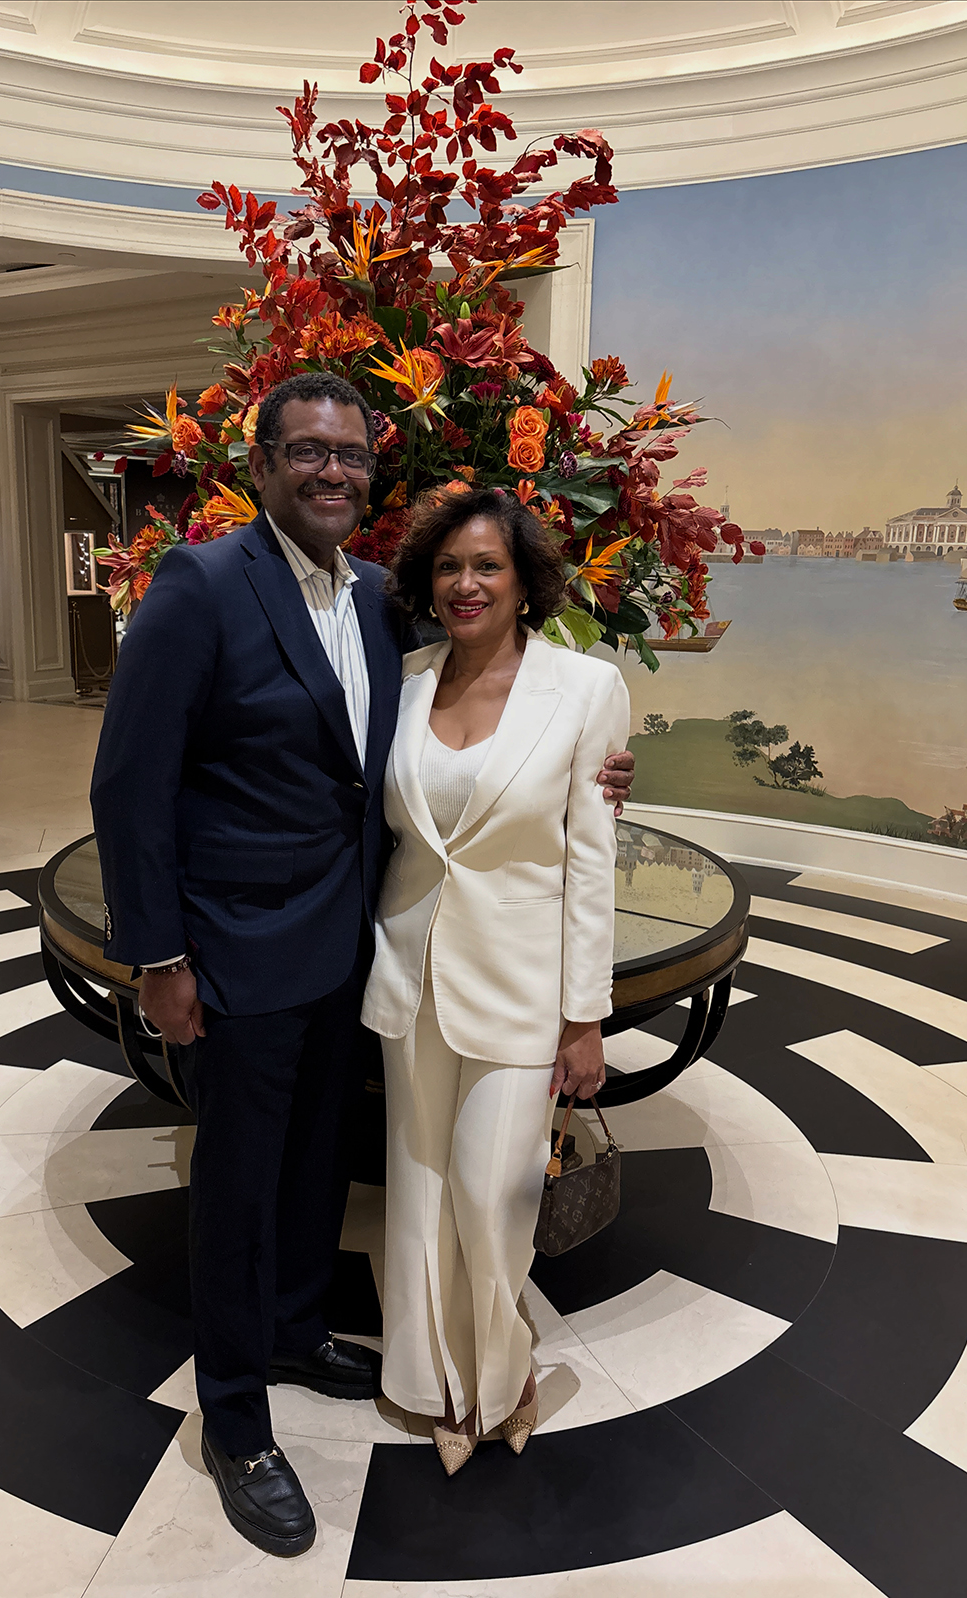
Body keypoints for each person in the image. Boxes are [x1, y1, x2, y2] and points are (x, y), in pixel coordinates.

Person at [90, 374, 636, 1556]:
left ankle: (295, 1329)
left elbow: (460, 735)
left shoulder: (385, 600)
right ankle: (237, 1419)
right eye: (308, 451)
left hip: (355, 950)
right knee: (237, 1186)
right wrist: (160, 955)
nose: (332, 471)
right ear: (262, 462)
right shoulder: (201, 584)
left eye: (350, 454)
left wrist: (599, 769)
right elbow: (130, 783)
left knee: (315, 1167)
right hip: (235, 954)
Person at [361, 487, 631, 1475]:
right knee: (419, 1188)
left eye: (487, 565)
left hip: (522, 986)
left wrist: (584, 1016)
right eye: (447, 566)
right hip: (410, 975)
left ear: (524, 582)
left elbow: (592, 859)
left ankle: (503, 1371)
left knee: (491, 1193)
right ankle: (433, 1383)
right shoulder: (403, 680)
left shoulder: (585, 688)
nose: (465, 583)